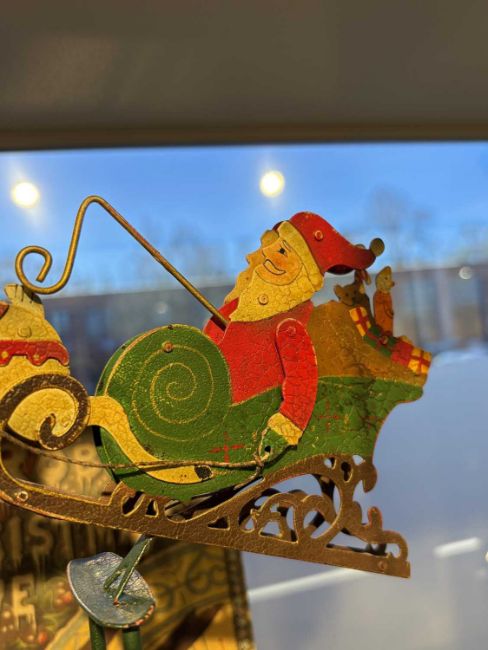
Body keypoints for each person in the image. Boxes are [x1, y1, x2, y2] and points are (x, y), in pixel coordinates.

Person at [204, 212, 381, 461]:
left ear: (302, 275)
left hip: (237, 428)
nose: (268, 253)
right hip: (206, 403)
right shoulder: (239, 309)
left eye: (283, 251)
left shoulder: (290, 327)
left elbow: (302, 380)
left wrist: (284, 429)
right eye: (273, 245)